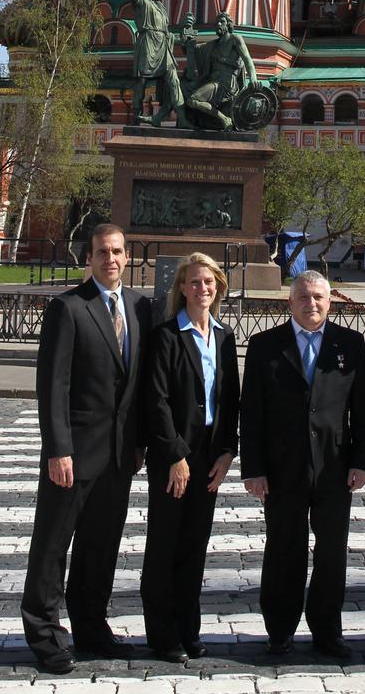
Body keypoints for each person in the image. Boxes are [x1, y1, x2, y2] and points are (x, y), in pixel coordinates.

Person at [21, 225, 152, 673]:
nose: (111, 259)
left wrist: (137, 444)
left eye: (117, 251)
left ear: (126, 256)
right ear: (89, 258)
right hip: (73, 454)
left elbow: (138, 386)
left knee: (101, 548)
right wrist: (58, 449)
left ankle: (92, 628)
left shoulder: (139, 307)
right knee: (53, 546)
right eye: (102, 252)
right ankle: (44, 634)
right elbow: (52, 385)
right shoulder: (68, 308)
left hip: (118, 456)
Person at [239, 269, 365, 659]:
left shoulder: (350, 343)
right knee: (284, 549)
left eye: (318, 297)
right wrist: (254, 468)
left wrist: (362, 460)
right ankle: (279, 629)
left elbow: (363, 409)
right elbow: (251, 412)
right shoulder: (265, 345)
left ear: (330, 301)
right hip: (282, 468)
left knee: (332, 552)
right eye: (303, 297)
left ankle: (327, 629)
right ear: (290, 302)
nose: (311, 303)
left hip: (335, 466)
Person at [140, 253, 240, 662]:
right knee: (165, 545)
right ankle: (162, 635)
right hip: (174, 455)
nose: (203, 289)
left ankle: (188, 628)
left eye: (209, 282)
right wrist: (174, 455)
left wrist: (228, 452)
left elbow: (230, 398)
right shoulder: (166, 336)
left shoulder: (224, 335)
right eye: (195, 282)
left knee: (195, 546)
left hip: (209, 454)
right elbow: (156, 399)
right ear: (182, 288)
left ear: (218, 286)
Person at [129, 0, 187, 125]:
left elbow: (167, 30)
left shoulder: (161, 9)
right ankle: (136, 115)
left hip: (163, 46)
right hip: (148, 43)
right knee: (142, 80)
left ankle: (181, 116)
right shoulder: (142, 2)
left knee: (173, 78)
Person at [184, 11, 258, 129]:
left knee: (193, 100)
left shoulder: (235, 39)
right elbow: (193, 49)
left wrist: (253, 78)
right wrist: (187, 32)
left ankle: (224, 119)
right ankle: (222, 118)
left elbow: (247, 59)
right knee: (187, 91)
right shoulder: (212, 45)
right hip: (214, 83)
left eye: (222, 22)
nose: (218, 24)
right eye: (217, 22)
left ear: (228, 25)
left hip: (226, 85)